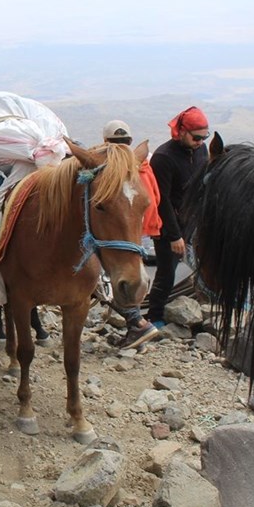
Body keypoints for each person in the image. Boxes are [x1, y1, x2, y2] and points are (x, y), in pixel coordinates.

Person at [144, 107, 209, 326]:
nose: (200, 141)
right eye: (196, 137)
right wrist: (174, 236)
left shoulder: (201, 151)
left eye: (204, 137)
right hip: (168, 226)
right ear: (181, 132)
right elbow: (162, 200)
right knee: (166, 271)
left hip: (191, 220)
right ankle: (155, 316)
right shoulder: (164, 157)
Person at [101, 119, 163, 349]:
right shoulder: (143, 164)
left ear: (105, 142)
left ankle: (137, 323)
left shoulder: (115, 171)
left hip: (127, 231)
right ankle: (136, 324)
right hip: (144, 230)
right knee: (134, 274)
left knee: (114, 277)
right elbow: (155, 197)